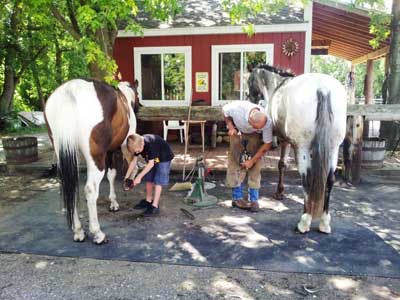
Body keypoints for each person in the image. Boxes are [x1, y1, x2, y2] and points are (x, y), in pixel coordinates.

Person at [223, 101, 273, 212]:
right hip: (238, 133)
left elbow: (267, 144)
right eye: (257, 127)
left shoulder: (266, 121)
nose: (261, 128)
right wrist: (230, 127)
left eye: (262, 127)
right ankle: (237, 198)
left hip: (255, 138)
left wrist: (252, 160)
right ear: (250, 121)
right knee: (235, 164)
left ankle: (254, 200)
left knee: (255, 166)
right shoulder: (237, 108)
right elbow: (224, 111)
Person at [124, 133, 174, 216]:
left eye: (138, 151)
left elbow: (150, 164)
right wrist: (126, 177)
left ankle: (155, 206)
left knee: (158, 181)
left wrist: (139, 177)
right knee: (149, 178)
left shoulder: (151, 145)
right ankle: (148, 201)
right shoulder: (137, 144)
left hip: (164, 157)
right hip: (155, 158)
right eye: (135, 151)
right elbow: (133, 162)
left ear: (142, 144)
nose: (137, 152)